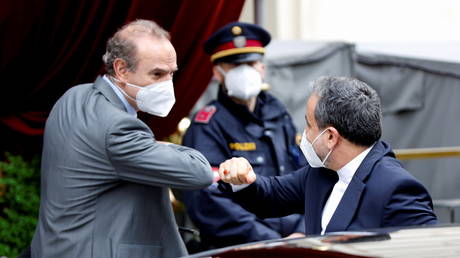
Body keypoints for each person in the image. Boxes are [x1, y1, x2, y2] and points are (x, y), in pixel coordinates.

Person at [30, 19, 214, 258]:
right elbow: (199, 173)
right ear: (121, 69)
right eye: (157, 74)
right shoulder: (118, 128)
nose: (167, 84)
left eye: (171, 74)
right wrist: (167, 147)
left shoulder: (73, 97)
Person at [217, 76, 438, 235]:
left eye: (308, 124)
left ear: (331, 136)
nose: (303, 133)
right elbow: (272, 195)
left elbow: (428, 251)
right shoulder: (322, 172)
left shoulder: (396, 189)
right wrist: (242, 179)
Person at [181, 22, 306, 250]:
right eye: (234, 65)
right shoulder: (208, 125)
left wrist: (303, 229)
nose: (244, 71)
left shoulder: (279, 115)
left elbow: (307, 177)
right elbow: (207, 199)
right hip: (243, 248)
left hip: (298, 241)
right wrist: (269, 242)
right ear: (217, 72)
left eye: (250, 63)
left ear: (262, 68)